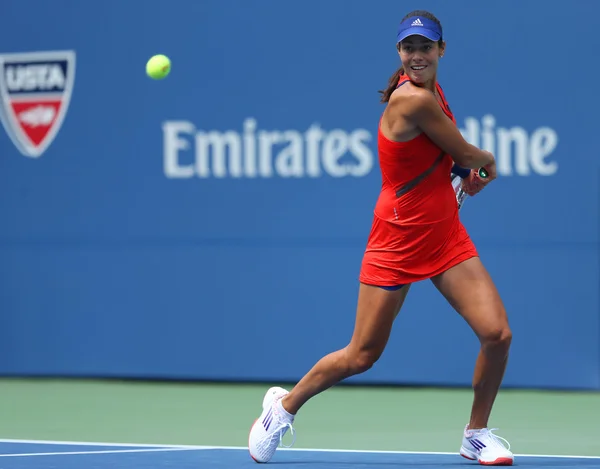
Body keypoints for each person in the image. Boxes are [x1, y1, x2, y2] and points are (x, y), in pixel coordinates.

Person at [248, 9, 513, 467]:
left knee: (497, 334)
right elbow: (468, 153)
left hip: (444, 235)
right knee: (362, 355)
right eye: (409, 48)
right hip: (396, 240)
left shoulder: (433, 93)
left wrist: (463, 173)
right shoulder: (412, 100)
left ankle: (476, 434)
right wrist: (485, 163)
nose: (417, 56)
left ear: (441, 50)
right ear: (399, 52)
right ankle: (283, 407)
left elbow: (445, 159)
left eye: (425, 47)